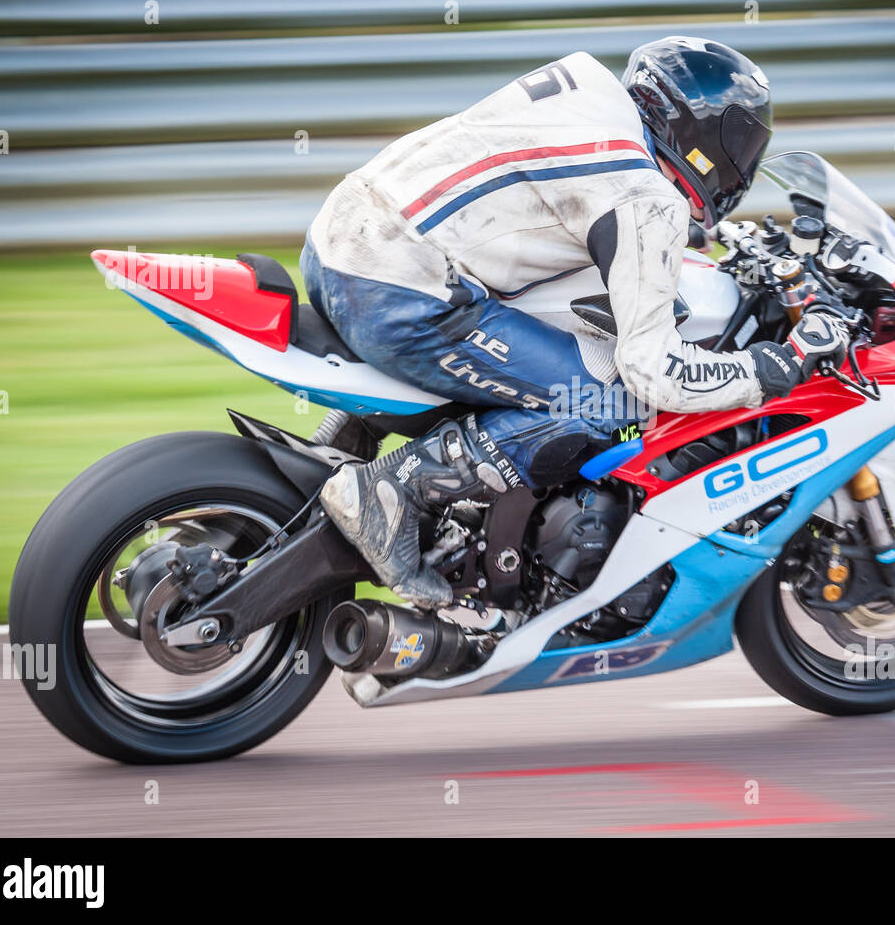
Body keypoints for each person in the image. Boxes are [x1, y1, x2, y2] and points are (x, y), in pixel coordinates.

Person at [303, 36, 848, 608]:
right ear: (704, 132)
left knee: (520, 326)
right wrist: (774, 365)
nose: (742, 161)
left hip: (339, 243)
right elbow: (654, 373)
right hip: (396, 292)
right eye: (740, 142)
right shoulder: (643, 200)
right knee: (605, 400)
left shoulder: (584, 84)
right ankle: (390, 491)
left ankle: (348, 434)